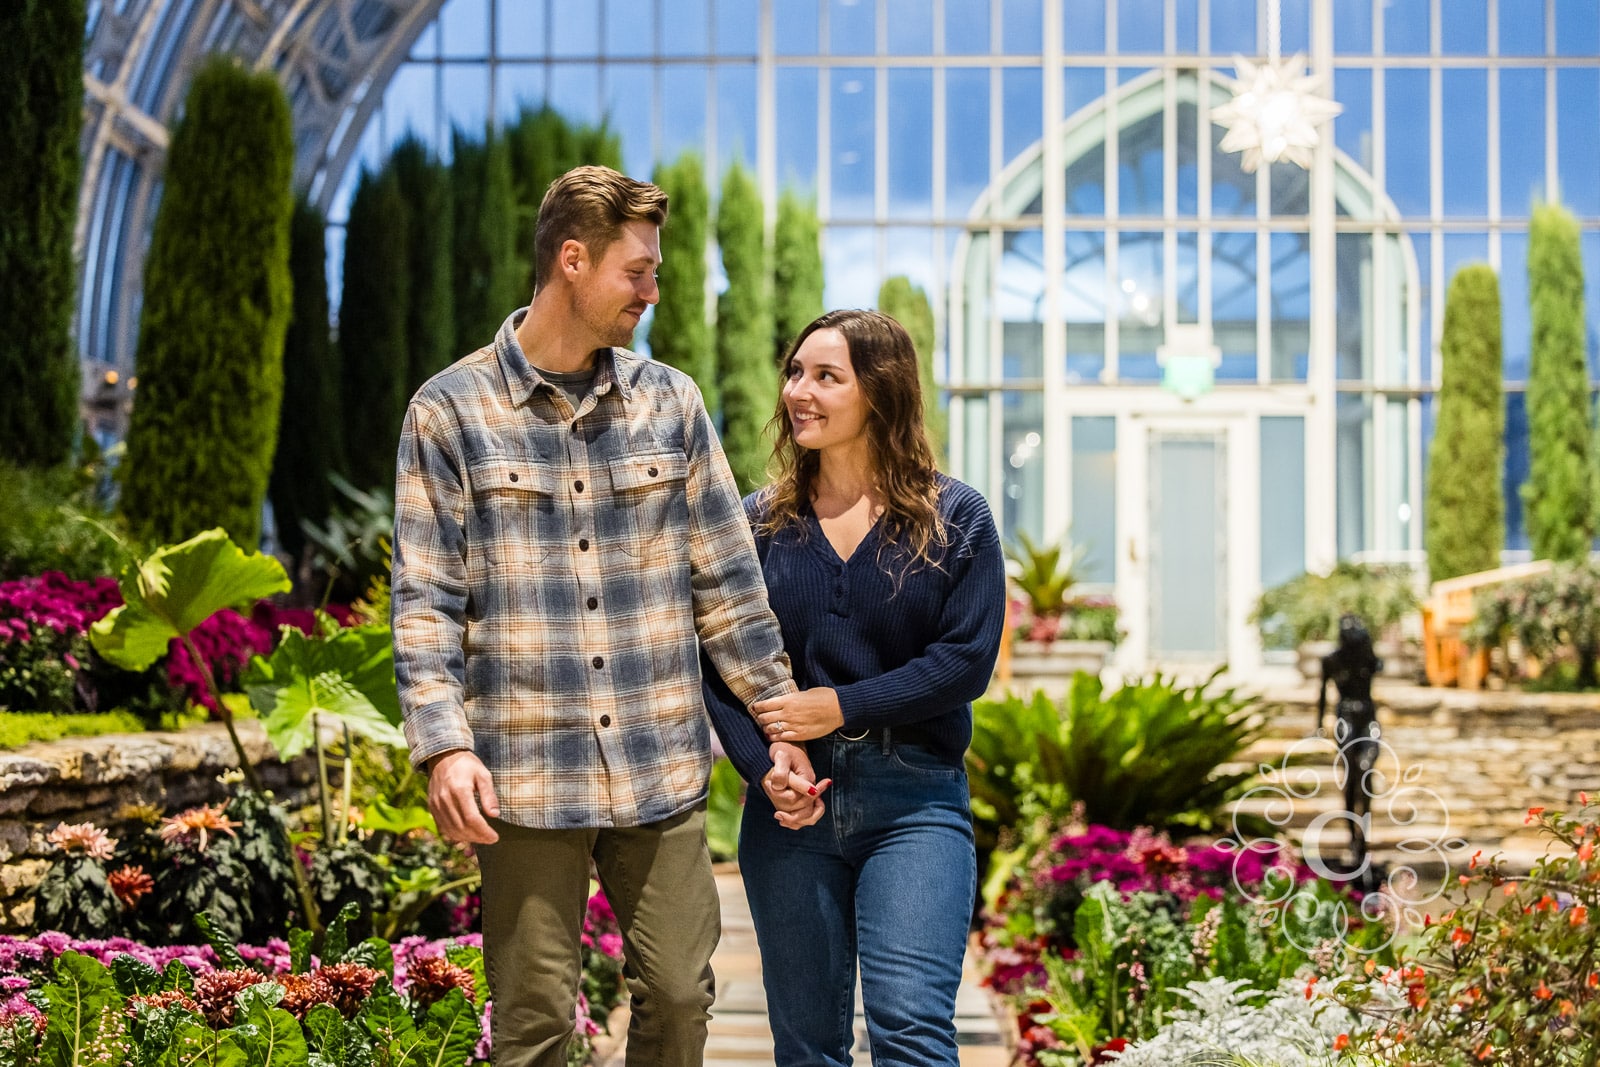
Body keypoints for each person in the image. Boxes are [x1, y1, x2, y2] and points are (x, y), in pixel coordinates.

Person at [391, 164, 825, 1067]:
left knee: (677, 993)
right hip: (523, 766)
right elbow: (426, 600)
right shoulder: (450, 411)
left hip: (658, 760)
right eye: (639, 272)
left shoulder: (672, 402)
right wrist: (444, 742)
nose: (653, 292)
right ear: (574, 261)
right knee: (536, 1023)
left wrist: (777, 718)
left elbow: (728, 586)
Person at [703, 308, 1007, 1066]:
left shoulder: (955, 519)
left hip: (917, 801)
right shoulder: (757, 526)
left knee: (910, 1029)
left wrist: (842, 704)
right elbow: (712, 659)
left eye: (826, 376)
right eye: (795, 372)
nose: (799, 391)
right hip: (789, 812)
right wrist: (762, 762)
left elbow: (966, 660)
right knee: (806, 1045)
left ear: (881, 393)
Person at [1315, 612, 1384, 886]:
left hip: (1367, 718)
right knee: (1351, 776)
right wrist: (1319, 724)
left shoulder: (1368, 658)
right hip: (1344, 719)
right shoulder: (1332, 660)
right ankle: (1352, 832)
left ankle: (1363, 833)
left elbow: (1378, 663)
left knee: (1365, 771)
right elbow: (1322, 693)